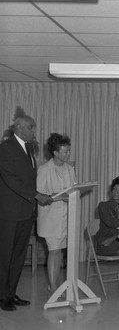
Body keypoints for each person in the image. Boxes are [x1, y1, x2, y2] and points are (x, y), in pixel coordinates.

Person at [0, 115, 52, 311]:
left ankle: (10, 293)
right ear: (19, 128)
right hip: (9, 213)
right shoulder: (5, 148)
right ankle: (2, 296)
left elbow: (29, 179)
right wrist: (36, 195)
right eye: (31, 127)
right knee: (5, 256)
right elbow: (10, 179)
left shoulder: (28, 148)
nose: (34, 131)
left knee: (18, 257)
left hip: (25, 212)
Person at [37, 133, 76, 295]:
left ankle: (55, 284)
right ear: (55, 152)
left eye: (69, 150)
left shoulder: (69, 168)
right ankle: (53, 288)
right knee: (54, 250)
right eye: (65, 151)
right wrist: (60, 196)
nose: (68, 154)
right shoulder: (45, 169)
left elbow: (73, 189)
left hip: (67, 217)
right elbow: (40, 195)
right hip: (51, 217)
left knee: (60, 251)